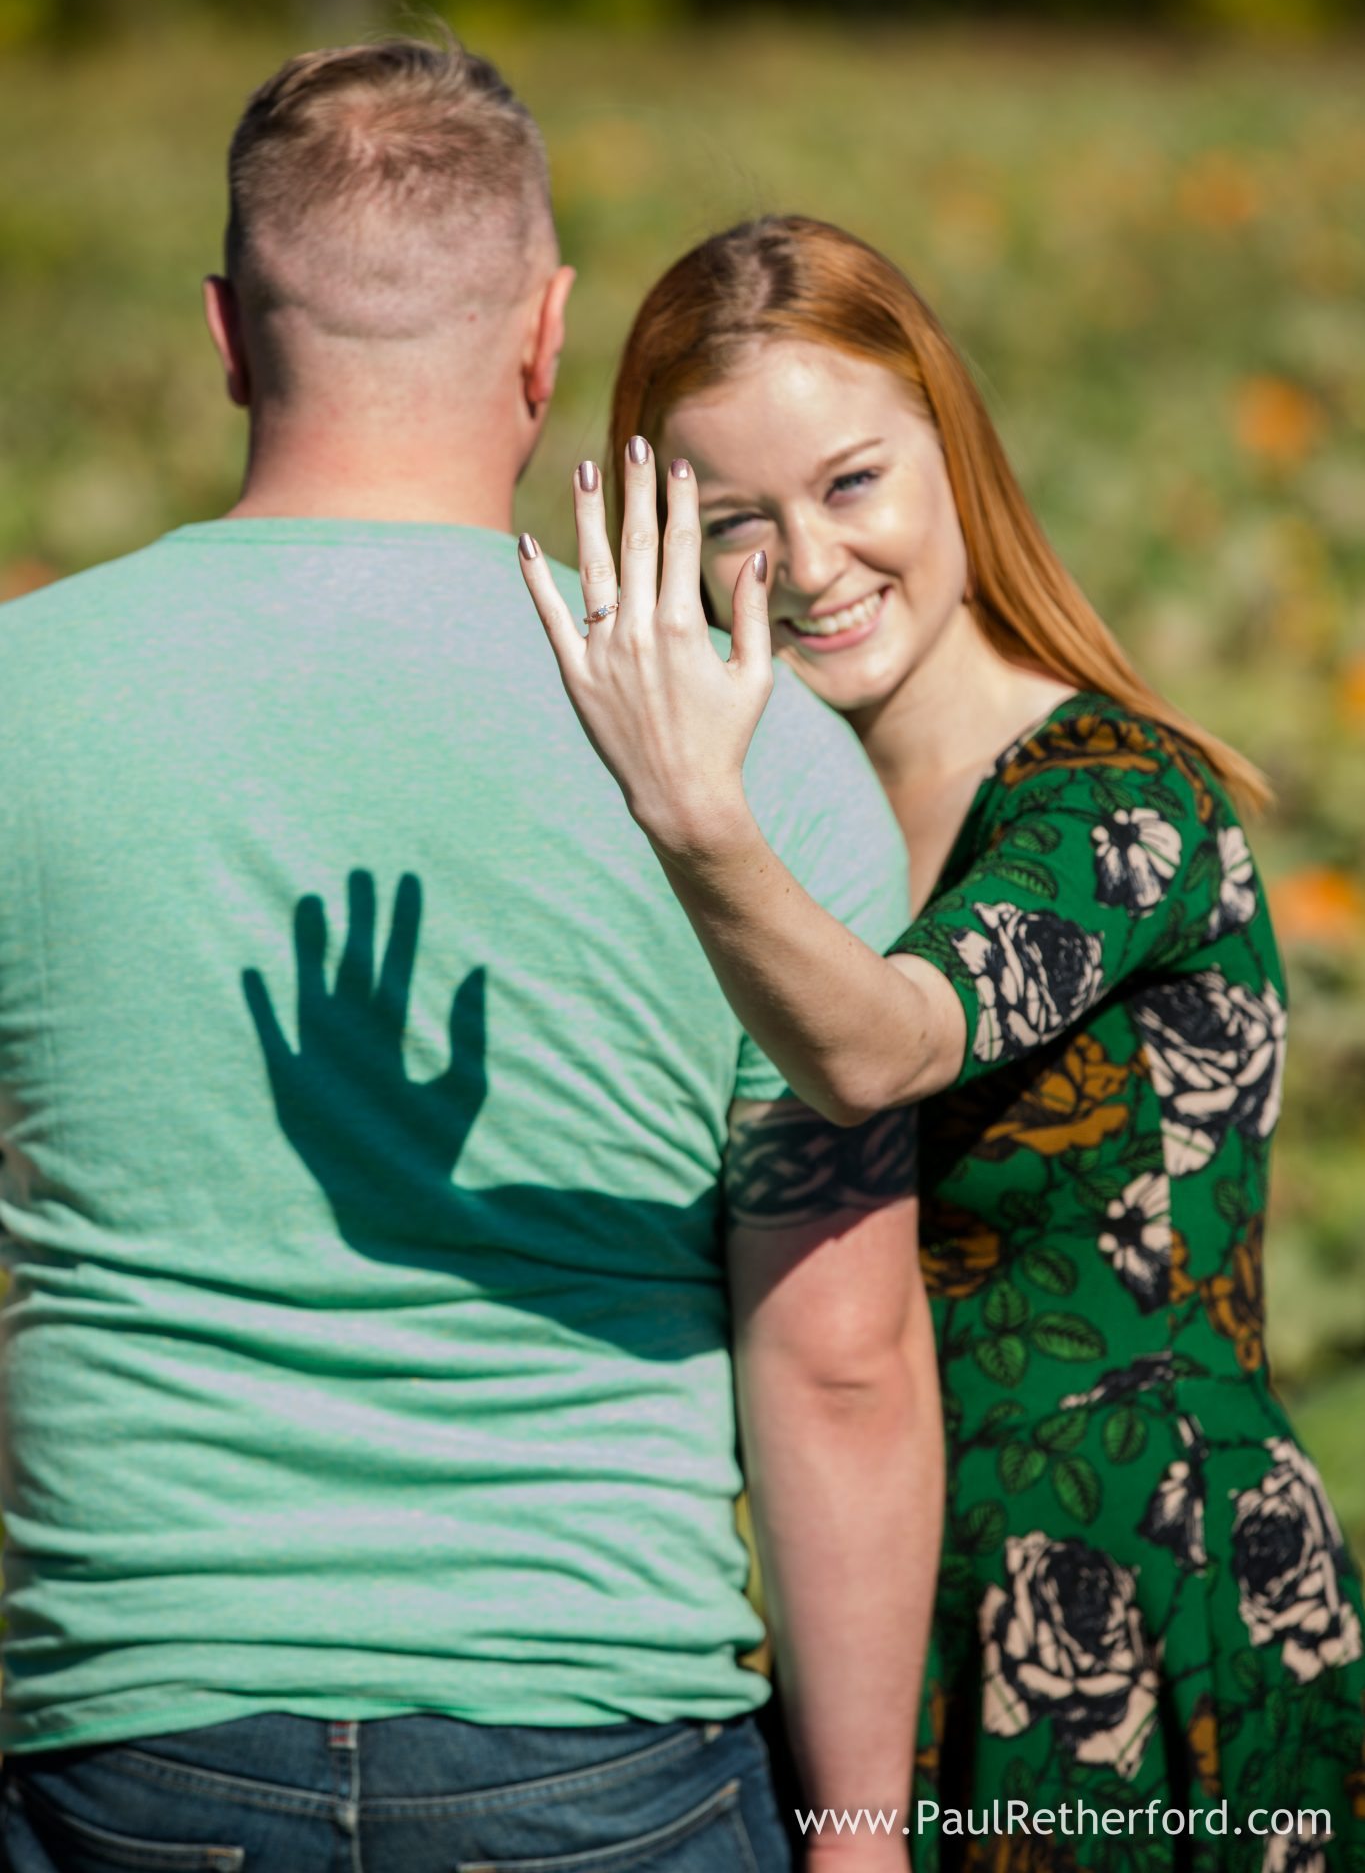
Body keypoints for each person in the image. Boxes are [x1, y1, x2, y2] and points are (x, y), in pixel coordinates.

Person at [0, 66, 941, 1870]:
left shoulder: (24, 698)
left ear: (223, 334)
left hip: (124, 1731)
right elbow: (835, 1361)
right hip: (602, 1736)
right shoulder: (751, 753)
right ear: (547, 331)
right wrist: (858, 1835)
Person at [520, 215, 1365, 1873]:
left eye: (850, 485)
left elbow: (889, 1044)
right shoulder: (791, 831)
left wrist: (692, 822)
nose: (811, 567)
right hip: (865, 1612)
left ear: (952, 451)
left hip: (1135, 1586)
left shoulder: (1116, 797)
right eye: (736, 523)